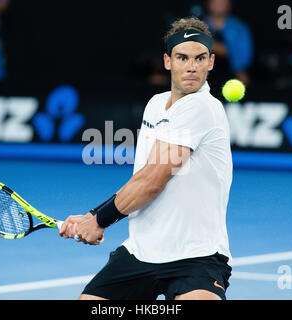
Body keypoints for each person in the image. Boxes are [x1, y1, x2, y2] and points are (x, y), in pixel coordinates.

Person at [59, 16, 233, 300]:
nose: (191, 67)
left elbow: (153, 181)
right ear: (167, 61)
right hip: (141, 253)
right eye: (182, 58)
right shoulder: (155, 105)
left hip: (196, 257)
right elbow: (142, 177)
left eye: (200, 58)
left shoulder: (203, 107)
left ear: (211, 62)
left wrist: (100, 220)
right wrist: (92, 216)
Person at [203, 0, 253, 88]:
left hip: (230, 75)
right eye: (215, 2)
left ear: (229, 5)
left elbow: (242, 58)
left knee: (243, 78)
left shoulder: (239, 27)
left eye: (223, 3)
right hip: (203, 76)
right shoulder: (197, 25)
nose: (219, 5)